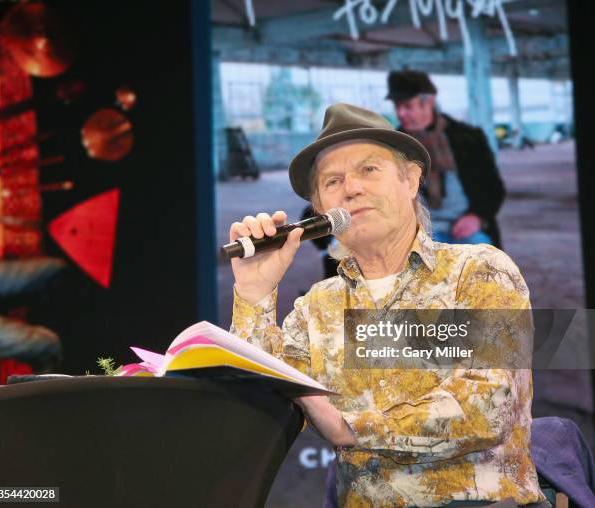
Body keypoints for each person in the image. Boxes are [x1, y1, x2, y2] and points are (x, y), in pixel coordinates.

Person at [229, 103, 546, 507]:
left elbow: (490, 406)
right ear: (322, 210)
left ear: (411, 180)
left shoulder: (479, 271)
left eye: (369, 170)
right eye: (332, 181)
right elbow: (260, 409)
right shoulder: (318, 308)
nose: (351, 188)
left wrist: (351, 427)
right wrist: (255, 294)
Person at [386, 70, 506, 248]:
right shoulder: (392, 145)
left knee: (486, 267)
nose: (401, 113)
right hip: (417, 234)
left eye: (407, 106)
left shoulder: (468, 138)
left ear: (429, 102)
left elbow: (494, 189)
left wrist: (477, 216)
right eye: (397, 107)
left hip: (463, 229)